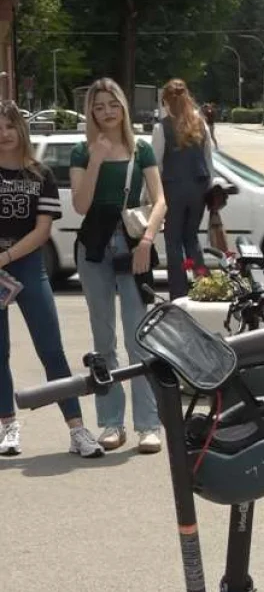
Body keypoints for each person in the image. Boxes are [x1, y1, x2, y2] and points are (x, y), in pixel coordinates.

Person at [69, 78, 168, 454]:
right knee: (103, 339)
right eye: (98, 107)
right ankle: (112, 422)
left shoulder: (141, 149)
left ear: (123, 107)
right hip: (94, 247)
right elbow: (80, 205)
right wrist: (96, 159)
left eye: (112, 104)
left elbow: (160, 201)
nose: (106, 112)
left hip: (132, 245)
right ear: (90, 112)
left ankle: (148, 425)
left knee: (138, 336)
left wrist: (146, 241)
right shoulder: (82, 151)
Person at [0, 101, 104, 458]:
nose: (4, 134)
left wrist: (6, 257)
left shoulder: (40, 174)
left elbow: (43, 230)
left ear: (21, 129)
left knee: (51, 350)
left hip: (28, 266)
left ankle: (77, 429)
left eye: (9, 126)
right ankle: (8, 426)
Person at [153, 78, 215, 299]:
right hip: (199, 188)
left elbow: (156, 165)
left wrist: (149, 196)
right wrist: (210, 188)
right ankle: (204, 287)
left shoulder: (162, 128)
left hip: (173, 189)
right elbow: (209, 160)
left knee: (173, 240)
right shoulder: (201, 125)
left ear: (166, 102)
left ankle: (179, 292)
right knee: (191, 237)